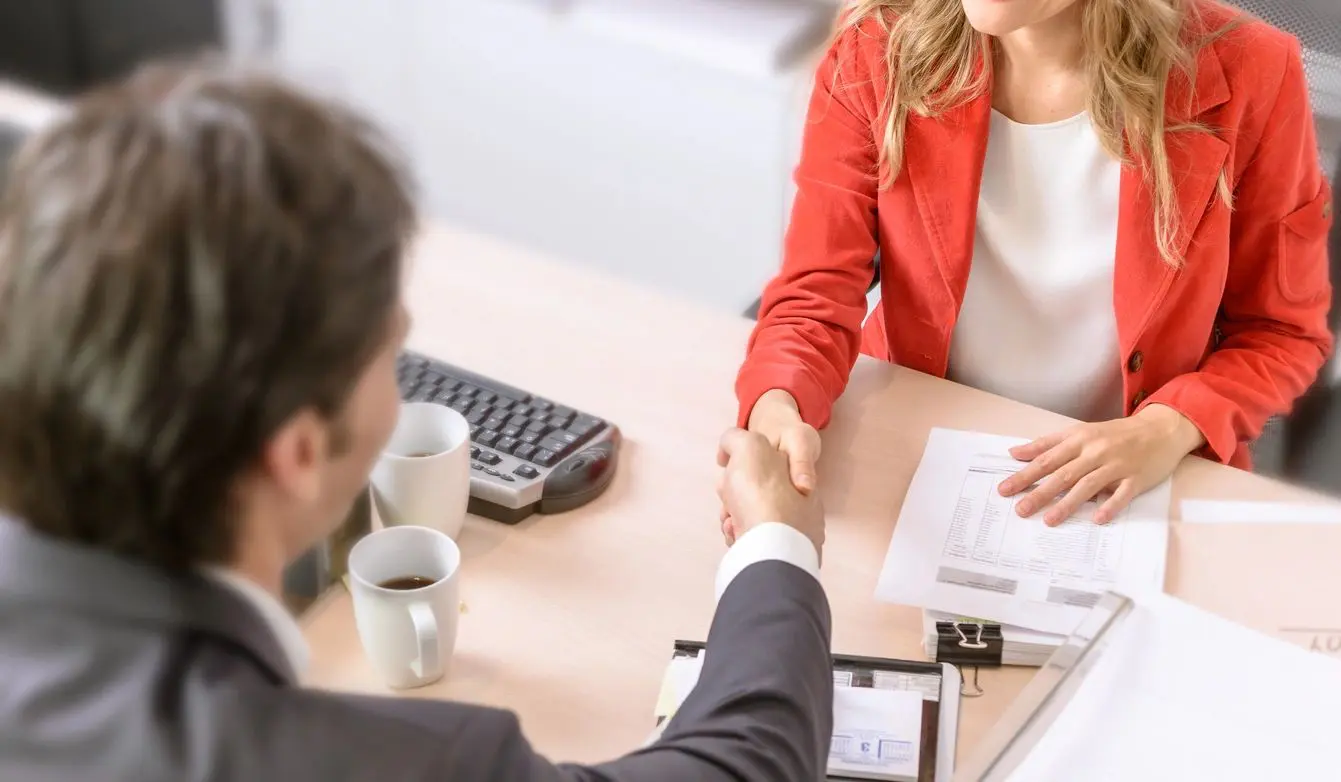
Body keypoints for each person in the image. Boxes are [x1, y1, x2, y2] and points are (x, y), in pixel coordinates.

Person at [0, 62, 833, 781]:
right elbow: (743, 764)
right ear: (295, 451)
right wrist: (776, 547)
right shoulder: (412, 763)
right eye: (390, 357)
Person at [736, 0, 1334, 528]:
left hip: (1136, 485)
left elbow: (1282, 333)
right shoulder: (874, 48)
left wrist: (1168, 427)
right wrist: (778, 405)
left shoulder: (1253, 70)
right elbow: (815, 294)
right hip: (919, 452)